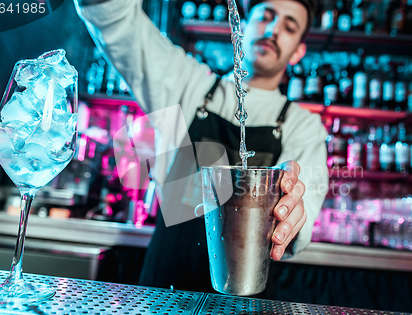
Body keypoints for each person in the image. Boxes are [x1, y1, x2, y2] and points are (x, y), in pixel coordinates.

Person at [74, 0, 328, 295]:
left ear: (298, 51)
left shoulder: (304, 127)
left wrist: (290, 209)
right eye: (266, 17)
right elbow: (111, 16)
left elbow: (303, 210)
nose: (272, 30)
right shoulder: (188, 85)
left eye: (288, 26)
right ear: (242, 27)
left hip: (244, 304)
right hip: (163, 292)